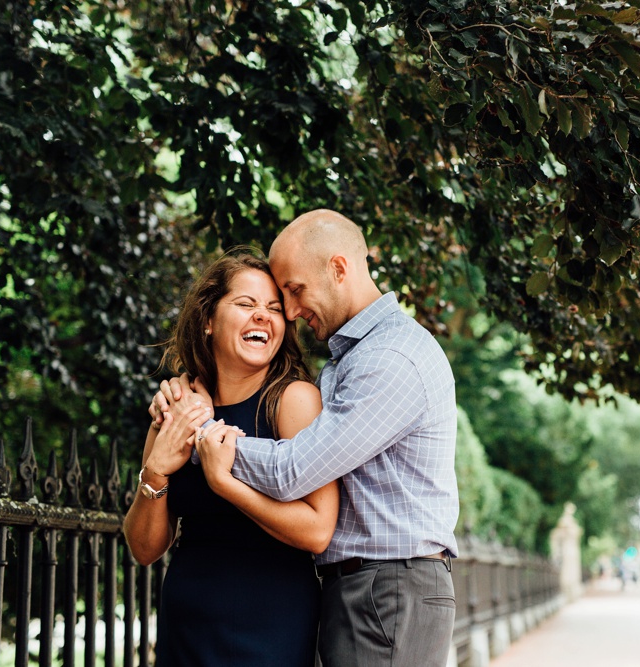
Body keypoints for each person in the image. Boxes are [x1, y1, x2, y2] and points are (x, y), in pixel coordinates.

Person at [155, 209, 460, 667]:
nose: (292, 311)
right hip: (367, 589)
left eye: (293, 292)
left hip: (390, 587)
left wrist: (196, 429)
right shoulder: (351, 359)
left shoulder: (392, 357)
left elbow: (292, 469)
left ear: (339, 269)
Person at [123, 250, 339, 667]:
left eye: (274, 309)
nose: (262, 316)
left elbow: (317, 531)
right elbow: (145, 548)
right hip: (187, 621)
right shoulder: (179, 406)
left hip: (273, 622)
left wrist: (224, 482)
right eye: (246, 304)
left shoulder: (294, 401)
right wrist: (156, 469)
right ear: (208, 320)